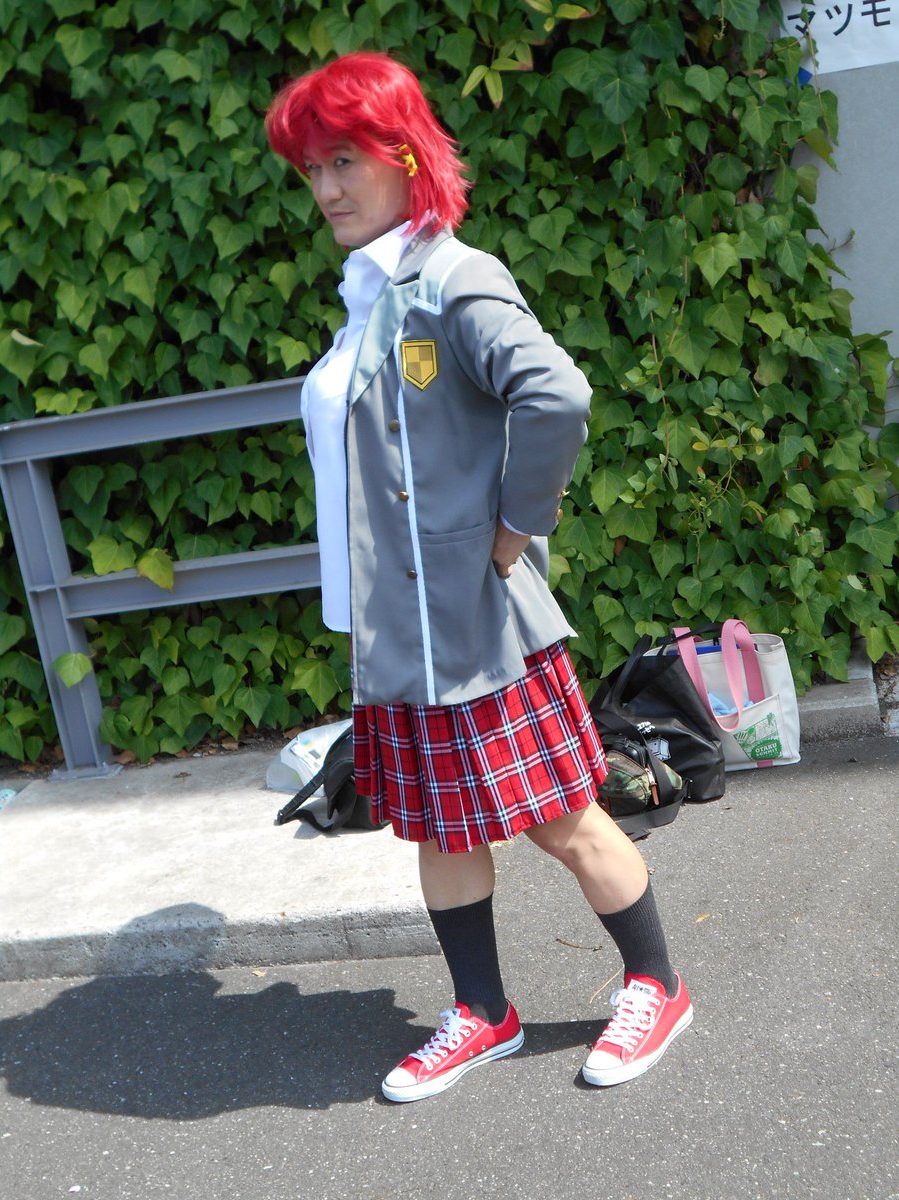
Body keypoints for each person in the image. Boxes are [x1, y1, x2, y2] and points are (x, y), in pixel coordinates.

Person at [265, 51, 693, 1103]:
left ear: (406, 156)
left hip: (470, 620)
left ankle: (657, 985)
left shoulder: (453, 278)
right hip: (397, 631)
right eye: (312, 168)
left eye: (344, 161)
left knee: (559, 816)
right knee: (438, 825)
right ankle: (483, 1012)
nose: (325, 189)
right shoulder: (372, 292)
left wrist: (515, 528)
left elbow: (556, 394)